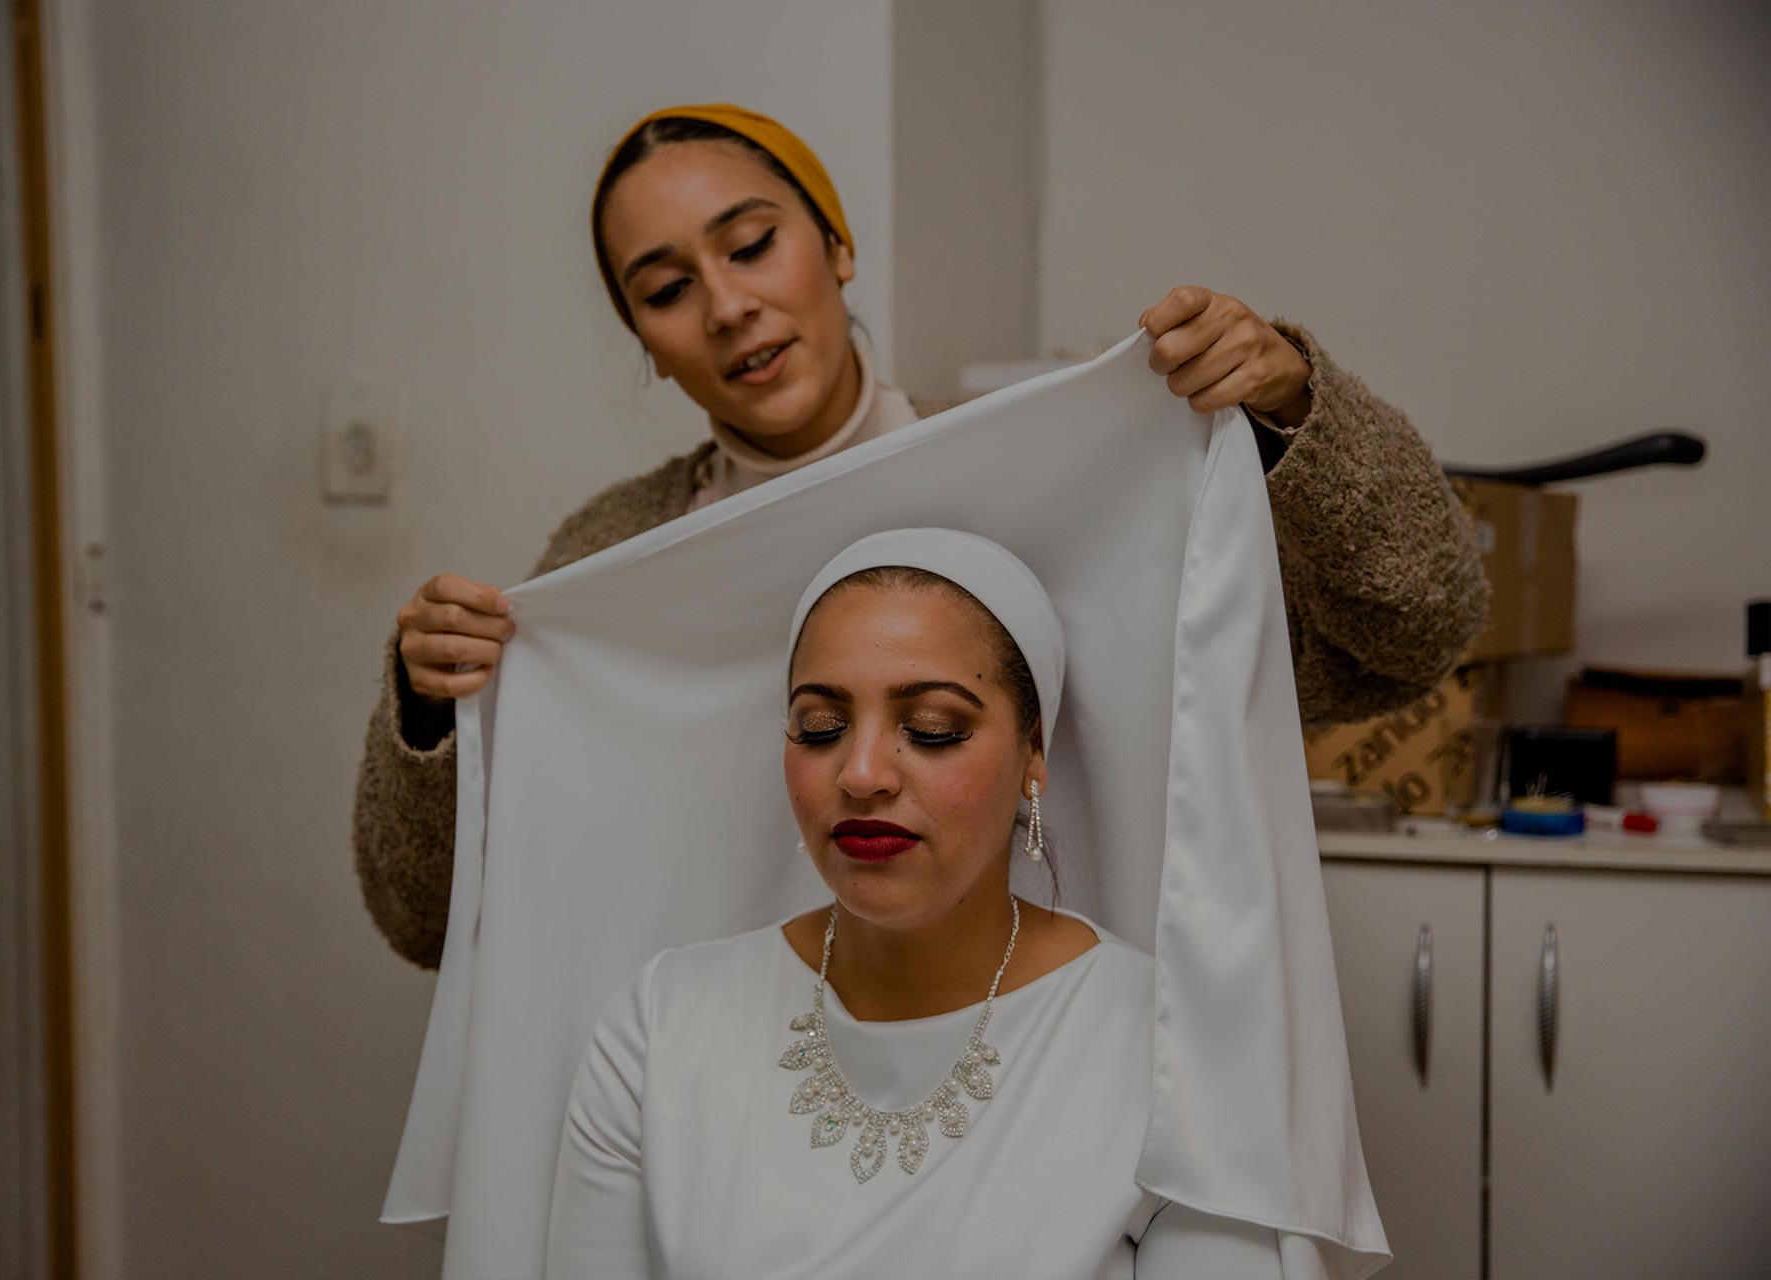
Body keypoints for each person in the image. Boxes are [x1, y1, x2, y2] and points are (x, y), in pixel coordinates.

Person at [354, 103, 1486, 969]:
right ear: (646, 343)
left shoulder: (1046, 491)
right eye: (665, 289)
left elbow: (1414, 633)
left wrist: (1293, 409)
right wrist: (432, 712)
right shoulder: (612, 558)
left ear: (836, 244)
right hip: (719, 1119)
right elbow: (431, 922)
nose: (727, 305)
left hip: (1026, 1081)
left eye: (751, 244)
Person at [542, 529, 1384, 1278]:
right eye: (821, 726)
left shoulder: (1172, 1054)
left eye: (933, 728)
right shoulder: (661, 1028)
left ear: (1033, 753)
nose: (861, 774)